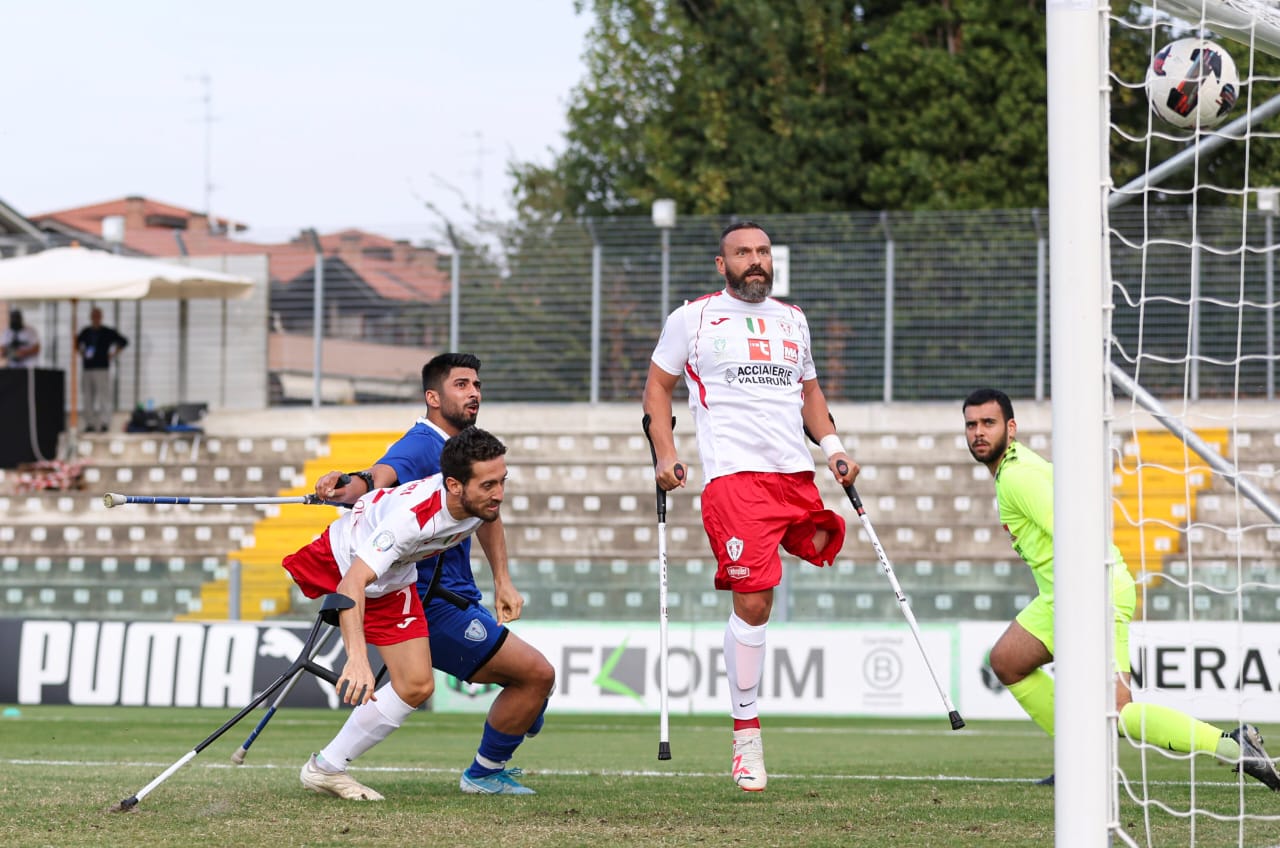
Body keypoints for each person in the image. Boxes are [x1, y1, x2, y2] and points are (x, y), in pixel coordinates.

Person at [962, 387, 1280, 791]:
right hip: (1062, 596)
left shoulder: (1018, 477)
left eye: (988, 423)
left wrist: (1090, 599)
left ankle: (1235, 747)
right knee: (1007, 660)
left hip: (1092, 590)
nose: (978, 433)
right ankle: (1077, 758)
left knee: (1117, 710)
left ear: (1011, 427)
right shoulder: (1014, 470)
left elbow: (1073, 533)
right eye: (971, 425)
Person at [642, 221, 858, 792]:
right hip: (735, 480)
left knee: (813, 553)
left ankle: (746, 709)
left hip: (795, 477)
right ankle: (745, 735)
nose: (755, 260)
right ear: (723, 264)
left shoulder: (794, 319)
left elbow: (810, 392)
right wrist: (667, 453)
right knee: (755, 599)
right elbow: (656, 389)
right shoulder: (692, 318)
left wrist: (834, 448)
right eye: (743, 253)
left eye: (762, 251)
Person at [313, 352, 554, 796]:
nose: (474, 392)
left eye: (477, 384)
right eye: (461, 385)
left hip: (457, 595)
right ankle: (482, 773)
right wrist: (351, 484)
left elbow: (490, 516)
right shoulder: (423, 444)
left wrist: (502, 578)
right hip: (426, 599)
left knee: (531, 683)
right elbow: (380, 475)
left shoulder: (472, 450)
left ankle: (516, 720)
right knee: (533, 677)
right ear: (432, 397)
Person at [289, 426, 509, 801]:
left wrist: (503, 579)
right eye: (488, 486)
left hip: (392, 578)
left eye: (502, 481)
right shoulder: (413, 519)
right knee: (411, 680)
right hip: (343, 564)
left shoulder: (477, 503)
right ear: (454, 485)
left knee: (417, 685)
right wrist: (356, 659)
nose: (499, 494)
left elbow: (489, 521)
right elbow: (351, 585)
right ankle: (328, 767)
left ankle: (326, 768)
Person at [76, 307, 129, 432]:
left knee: (104, 396)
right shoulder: (86, 332)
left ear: (101, 317)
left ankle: (105, 422)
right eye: (94, 316)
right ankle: (90, 423)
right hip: (88, 368)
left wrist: (113, 353)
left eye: (97, 316)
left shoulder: (107, 332)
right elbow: (77, 343)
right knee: (87, 396)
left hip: (102, 367)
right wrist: (82, 353)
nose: (95, 318)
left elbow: (123, 342)